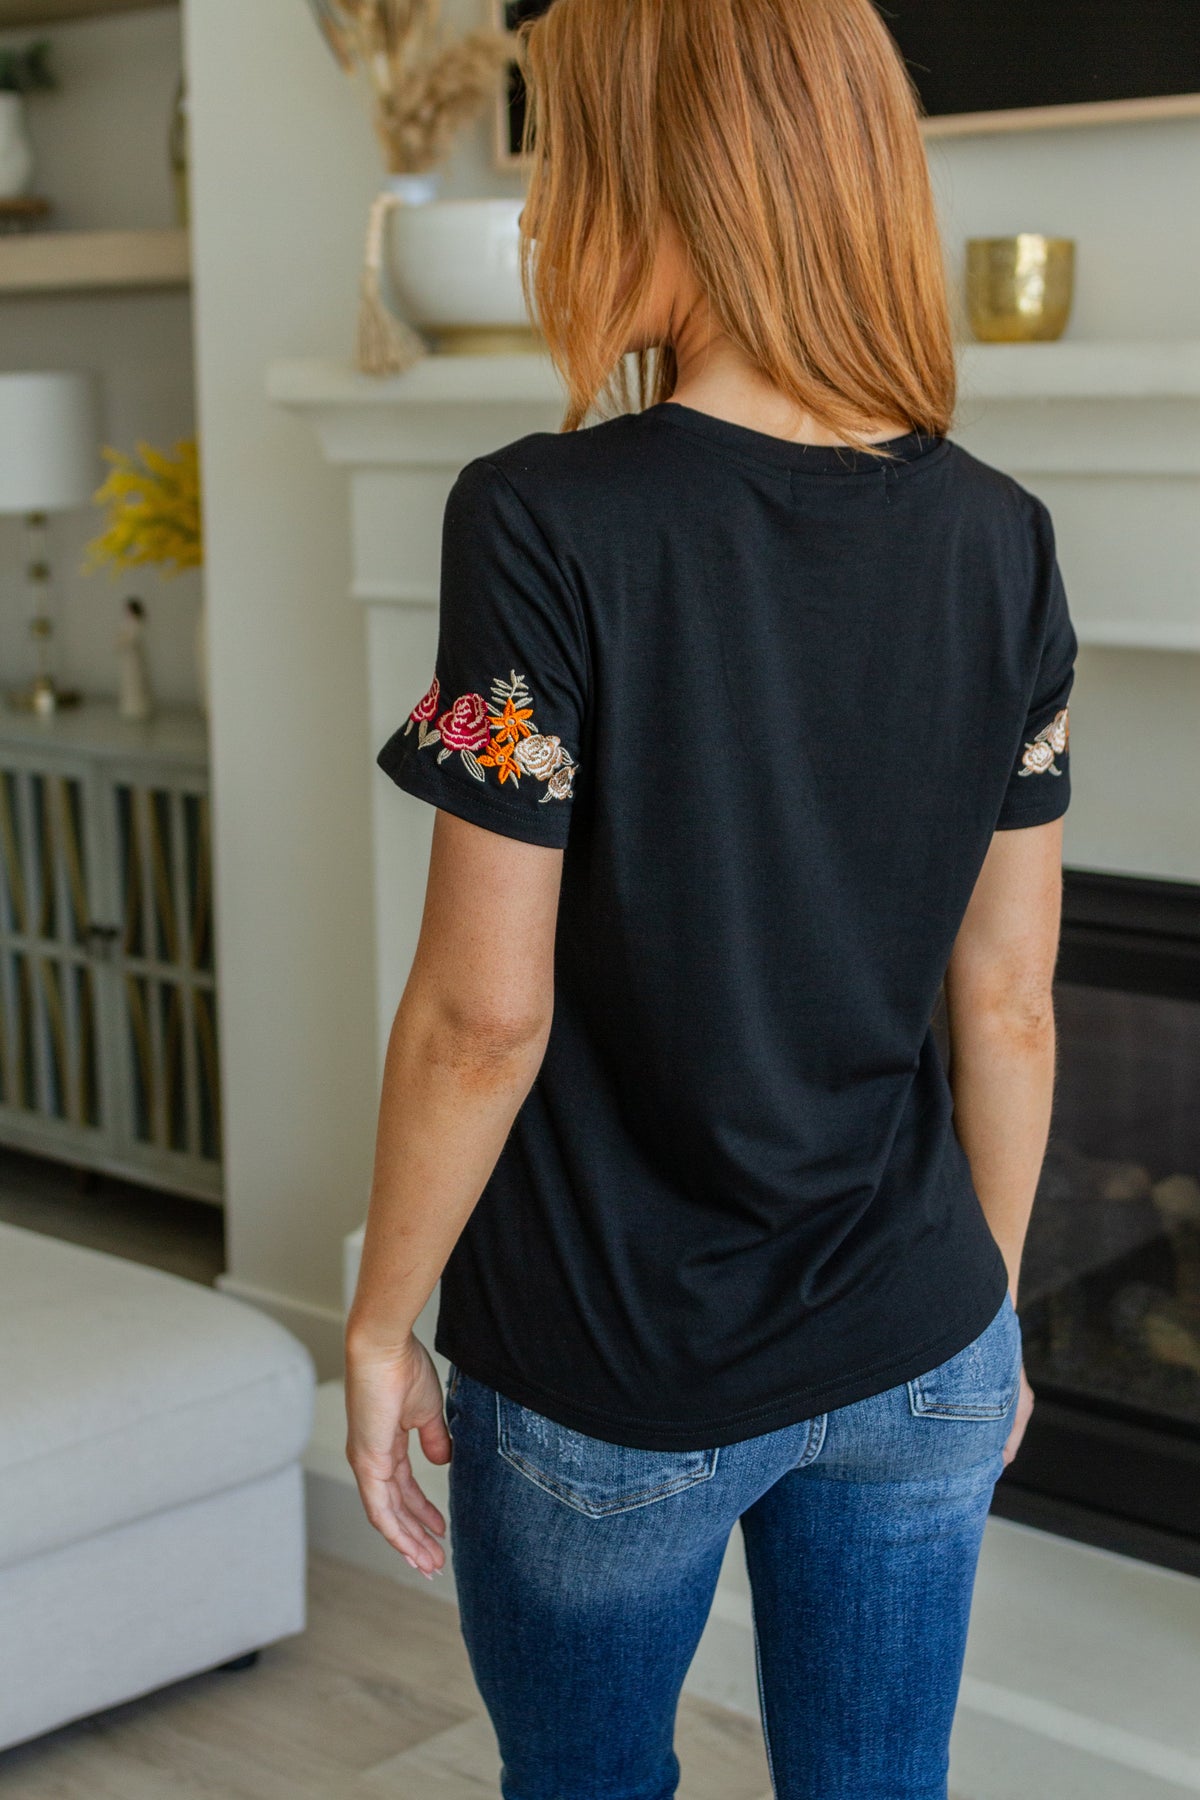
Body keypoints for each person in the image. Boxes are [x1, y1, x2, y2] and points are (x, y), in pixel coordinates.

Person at [344, 0, 1076, 1794]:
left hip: (612, 1370)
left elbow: (482, 1016)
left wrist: (376, 1319)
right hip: (922, 1330)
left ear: (669, 177)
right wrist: (983, 1305)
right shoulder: (1005, 536)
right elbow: (1009, 998)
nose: (545, 212)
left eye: (568, 157)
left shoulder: (539, 520)